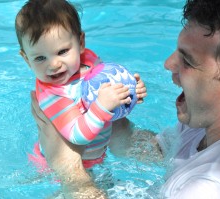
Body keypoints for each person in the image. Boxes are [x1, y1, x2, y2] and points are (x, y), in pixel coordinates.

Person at [30, 0, 220, 198]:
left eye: (187, 61)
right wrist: (113, 118)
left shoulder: (208, 187)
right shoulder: (203, 122)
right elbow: (156, 153)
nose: (168, 64)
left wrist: (69, 170)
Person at [15, 0, 146, 176]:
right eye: (40, 58)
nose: (54, 64)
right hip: (58, 169)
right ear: (26, 60)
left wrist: (129, 93)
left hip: (97, 156)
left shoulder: (89, 60)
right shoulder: (52, 94)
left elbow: (110, 95)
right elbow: (77, 135)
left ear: (81, 42)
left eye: (62, 52)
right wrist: (102, 106)